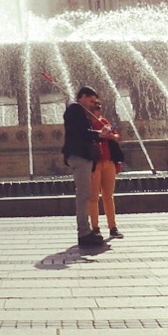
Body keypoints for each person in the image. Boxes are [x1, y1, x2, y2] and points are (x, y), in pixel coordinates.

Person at [62, 86, 104, 249]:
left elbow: (83, 132)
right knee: (83, 194)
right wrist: (98, 134)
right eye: (91, 100)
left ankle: (85, 231)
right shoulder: (74, 109)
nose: (93, 104)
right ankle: (84, 233)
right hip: (78, 155)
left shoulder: (79, 110)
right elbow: (80, 132)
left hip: (82, 155)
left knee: (86, 193)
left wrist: (98, 134)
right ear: (83, 97)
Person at [89, 98, 124, 239]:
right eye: (94, 109)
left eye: (98, 108)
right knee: (93, 198)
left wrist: (111, 136)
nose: (97, 111)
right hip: (95, 163)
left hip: (109, 162)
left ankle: (112, 227)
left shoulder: (105, 122)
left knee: (108, 196)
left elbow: (117, 136)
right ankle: (95, 227)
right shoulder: (88, 123)